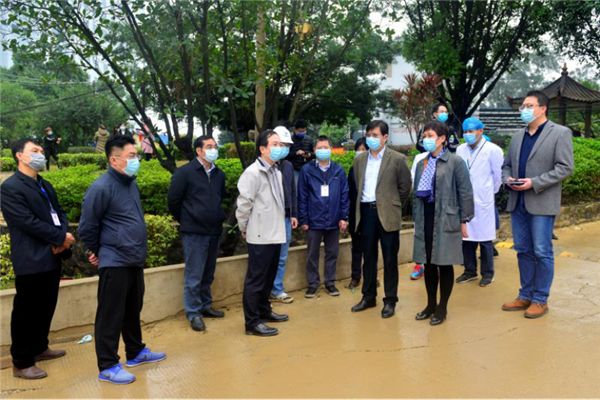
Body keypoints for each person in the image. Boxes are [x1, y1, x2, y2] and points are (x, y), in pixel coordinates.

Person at [79, 135, 166, 385]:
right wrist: (99, 250)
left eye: (136, 155)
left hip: (133, 258)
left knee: (132, 308)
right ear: (114, 160)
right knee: (110, 314)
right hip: (114, 260)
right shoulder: (101, 187)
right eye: (131, 156)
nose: (136, 160)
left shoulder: (130, 183)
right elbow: (87, 227)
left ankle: (136, 351)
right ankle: (107, 365)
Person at [0, 139, 74, 380]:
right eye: (35, 151)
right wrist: (59, 237)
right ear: (20, 156)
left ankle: (40, 347)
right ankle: (22, 362)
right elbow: (26, 222)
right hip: (31, 258)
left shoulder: (44, 184)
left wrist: (62, 237)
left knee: (46, 305)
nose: (41, 154)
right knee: (27, 311)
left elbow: (59, 213)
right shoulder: (10, 188)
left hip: (53, 255)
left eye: (41, 150)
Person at [501, 90, 574, 319]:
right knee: (523, 250)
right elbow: (506, 165)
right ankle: (525, 294)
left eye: (529, 106)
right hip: (518, 202)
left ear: (543, 108)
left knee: (542, 251)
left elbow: (565, 167)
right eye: (522, 106)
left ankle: (540, 299)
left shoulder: (560, 133)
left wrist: (535, 182)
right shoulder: (517, 136)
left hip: (541, 202)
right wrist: (507, 179)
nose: (524, 110)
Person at [413, 121, 474, 325]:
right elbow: (416, 194)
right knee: (428, 263)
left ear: (442, 139)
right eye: (425, 136)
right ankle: (430, 304)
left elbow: (465, 192)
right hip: (426, 217)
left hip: (447, 217)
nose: (426, 139)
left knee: (444, 263)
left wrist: (464, 219)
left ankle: (442, 307)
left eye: (430, 136)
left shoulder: (455, 162)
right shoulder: (422, 162)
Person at [350, 120, 412, 319]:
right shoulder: (360, 160)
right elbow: (356, 185)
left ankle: (390, 300)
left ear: (385, 137)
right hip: (366, 213)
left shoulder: (397, 159)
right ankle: (368, 297)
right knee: (368, 257)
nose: (371, 138)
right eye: (369, 135)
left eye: (375, 135)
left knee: (390, 259)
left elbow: (405, 188)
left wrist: (391, 204)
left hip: (387, 214)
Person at [167, 136, 227, 332]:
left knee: (208, 273)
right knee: (194, 275)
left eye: (215, 146)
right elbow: (173, 201)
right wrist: (188, 219)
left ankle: (206, 305)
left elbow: (220, 197)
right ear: (199, 151)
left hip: (214, 230)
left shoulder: (219, 174)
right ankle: (193, 313)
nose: (213, 150)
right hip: (194, 232)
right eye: (209, 147)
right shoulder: (185, 173)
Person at [236, 130, 289, 337]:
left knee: (268, 277)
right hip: (259, 235)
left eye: (280, 144)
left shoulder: (276, 171)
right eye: (274, 144)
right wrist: (244, 227)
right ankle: (252, 322)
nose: (279, 148)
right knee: (256, 280)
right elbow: (243, 205)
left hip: (275, 233)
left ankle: (264, 311)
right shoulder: (252, 173)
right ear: (262, 149)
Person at [298, 135, 349, 298]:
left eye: (325, 147)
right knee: (312, 254)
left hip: (334, 219)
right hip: (313, 220)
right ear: (314, 150)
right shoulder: (307, 170)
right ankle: (313, 284)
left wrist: (344, 217)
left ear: (331, 149)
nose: (323, 150)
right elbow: (302, 196)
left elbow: (344, 195)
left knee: (332, 253)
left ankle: (330, 283)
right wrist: (304, 219)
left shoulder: (338, 170)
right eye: (319, 148)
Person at [455, 117, 503, 287]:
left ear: (481, 131)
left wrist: (488, 193)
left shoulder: (493, 150)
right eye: (465, 131)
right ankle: (469, 271)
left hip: (484, 201)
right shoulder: (460, 149)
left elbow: (498, 176)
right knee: (466, 238)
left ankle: (487, 273)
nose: (468, 134)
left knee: (485, 239)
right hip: (464, 199)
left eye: (471, 131)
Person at [269, 125, 298, 304]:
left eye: (287, 145)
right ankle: (265, 290)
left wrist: (293, 214)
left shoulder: (288, 166)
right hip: (268, 219)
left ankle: (277, 289)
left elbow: (292, 191)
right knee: (268, 256)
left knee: (282, 257)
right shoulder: (263, 166)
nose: (284, 148)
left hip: (286, 217)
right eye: (281, 144)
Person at [347, 137, 367, 289]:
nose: (361, 152)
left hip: (370, 214)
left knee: (370, 249)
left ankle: (370, 276)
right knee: (356, 248)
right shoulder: (352, 170)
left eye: (363, 149)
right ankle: (355, 277)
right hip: (355, 214)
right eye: (358, 150)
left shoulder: (373, 169)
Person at [286, 119, 314, 185]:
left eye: (303, 131)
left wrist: (309, 155)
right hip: (294, 169)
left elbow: (314, 154)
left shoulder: (309, 139)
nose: (302, 133)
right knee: (296, 187)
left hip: (307, 169)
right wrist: (296, 153)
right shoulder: (290, 140)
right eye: (300, 131)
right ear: (295, 130)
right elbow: (286, 156)